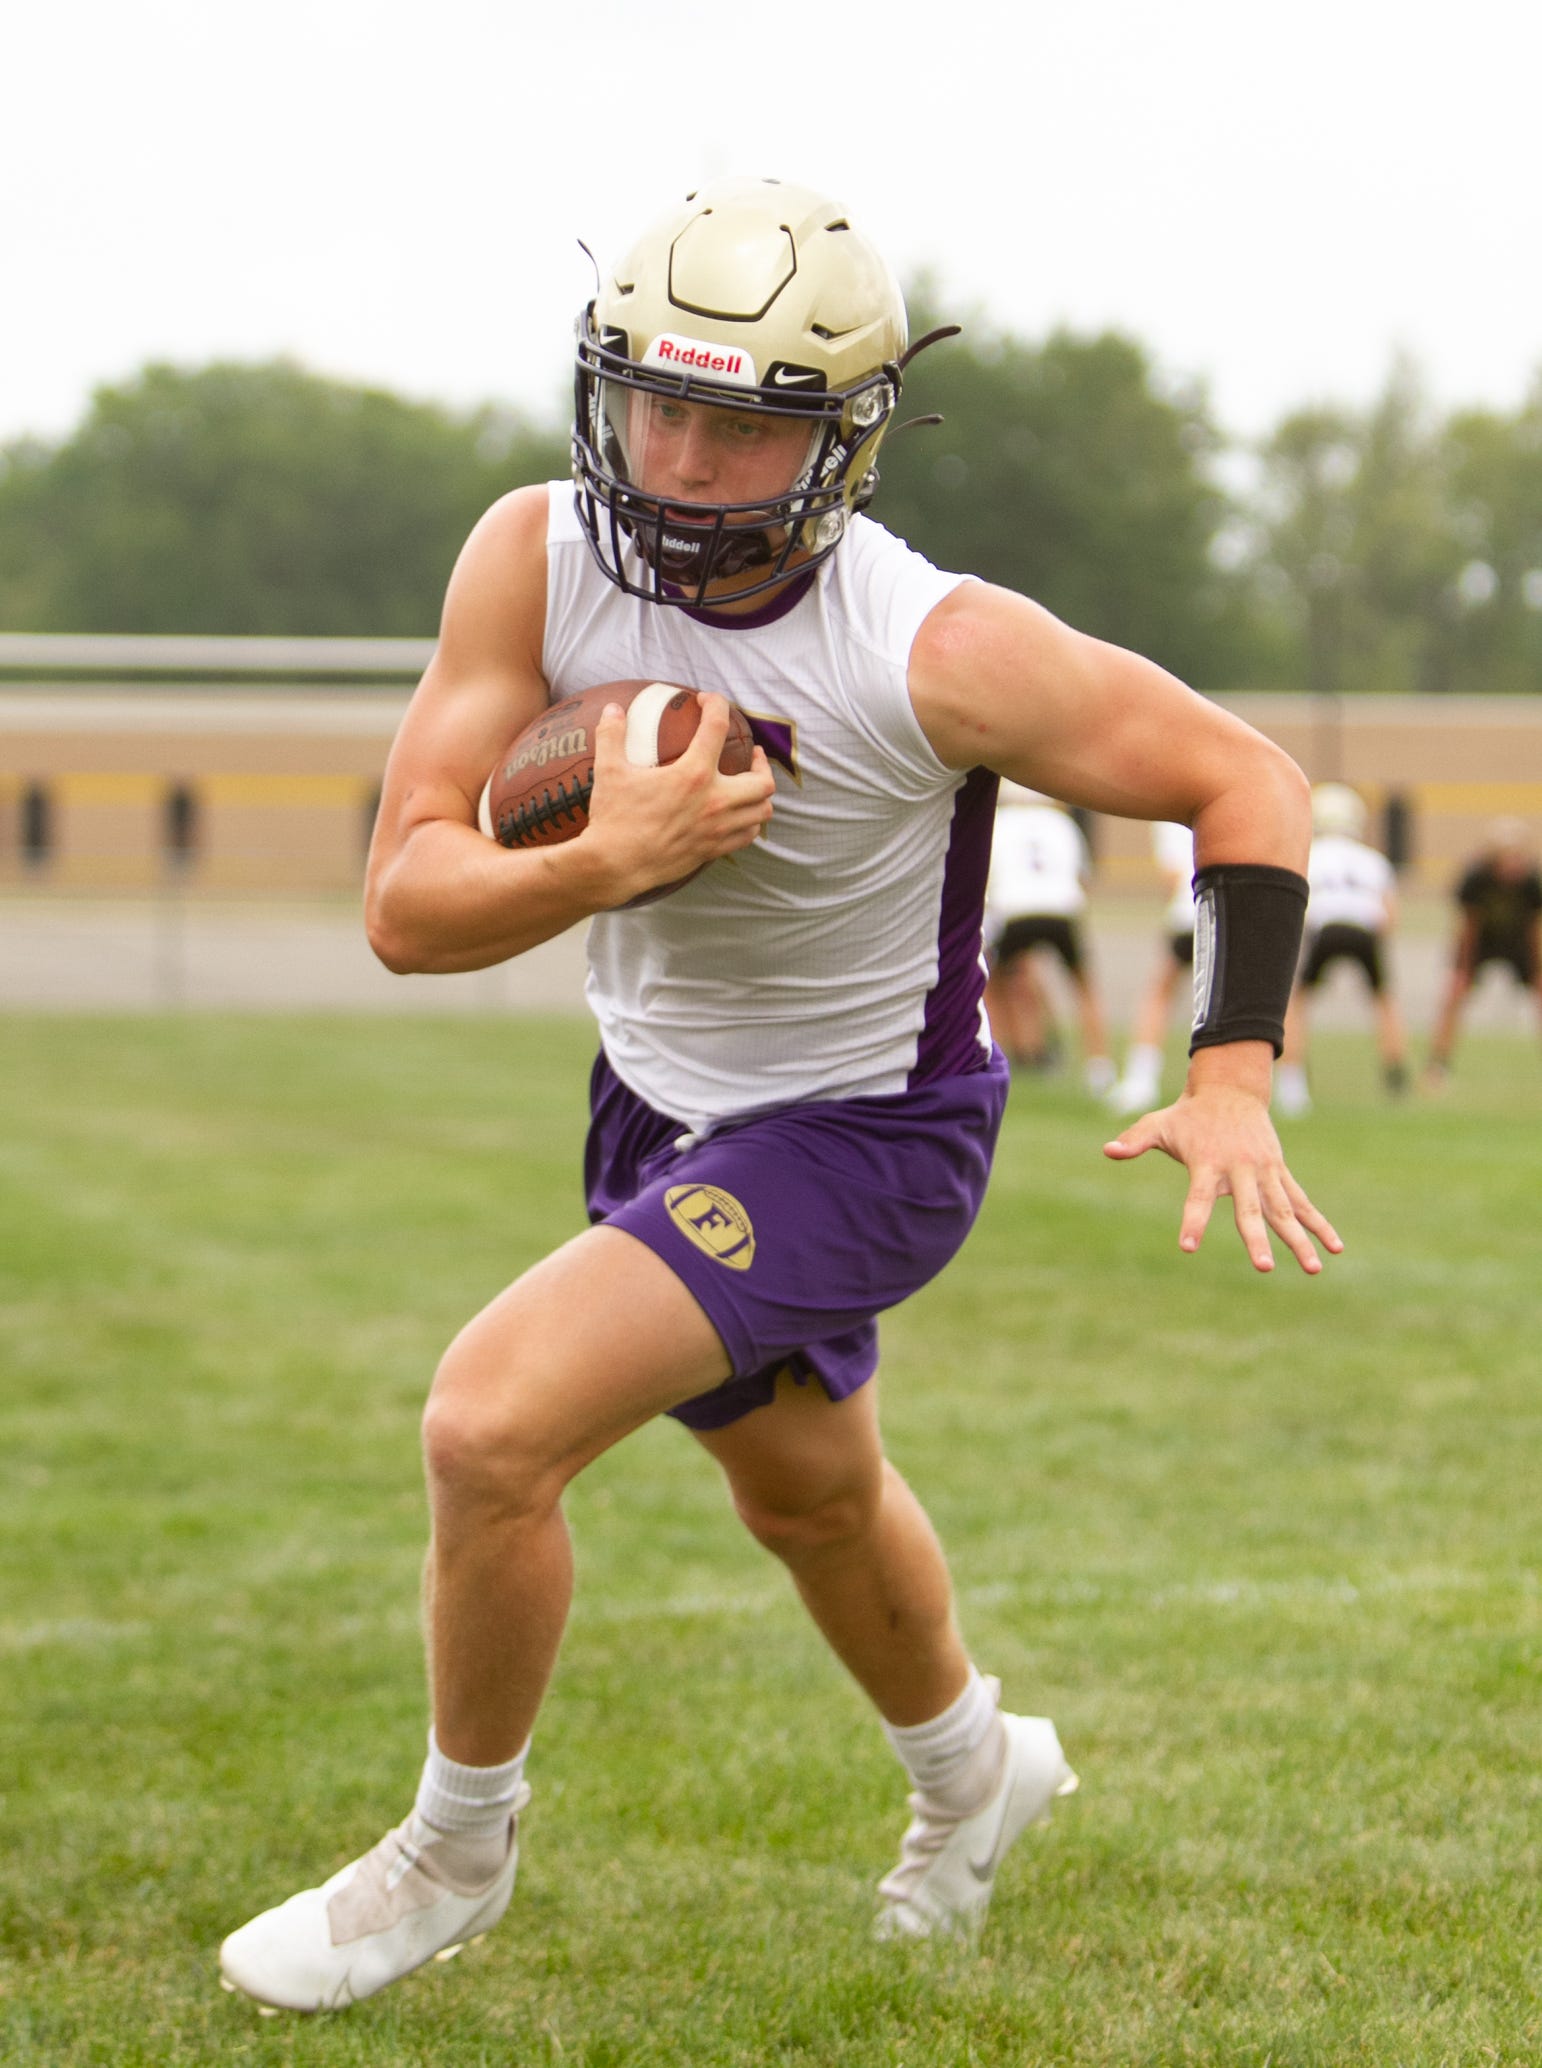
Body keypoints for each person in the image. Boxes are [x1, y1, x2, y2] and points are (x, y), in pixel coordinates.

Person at [218, 176, 1341, 2014]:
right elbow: (404, 910)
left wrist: (1230, 1069)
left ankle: (453, 1843)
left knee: (489, 1427)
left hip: (867, 1131)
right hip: (657, 1099)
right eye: (651, 399)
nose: (675, 454)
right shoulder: (532, 553)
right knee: (811, 1498)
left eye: (737, 424)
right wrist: (608, 857)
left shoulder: (935, 645)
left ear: (842, 440)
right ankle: (978, 1770)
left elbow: (1247, 780)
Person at [1275, 783, 1408, 1117]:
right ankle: (1395, 1073)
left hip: (1327, 927)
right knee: (1383, 1001)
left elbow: (1297, 907)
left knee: (1298, 1003)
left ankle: (1292, 1082)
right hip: (1365, 929)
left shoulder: (1308, 854)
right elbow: (1390, 917)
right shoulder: (1373, 860)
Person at [983, 785, 1114, 1091]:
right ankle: (1099, 1065)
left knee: (989, 985)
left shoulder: (999, 822)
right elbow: (1084, 877)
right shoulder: (1062, 822)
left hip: (1015, 910)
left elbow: (988, 879)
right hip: (1062, 909)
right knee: (1083, 988)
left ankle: (993, 1058)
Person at [1425, 817, 1542, 1085]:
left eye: (1519, 857)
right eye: (1509, 857)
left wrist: (1537, 969)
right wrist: (1464, 969)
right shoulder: (1476, 878)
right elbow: (1468, 927)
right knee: (1454, 994)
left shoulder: (1531, 882)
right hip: (1481, 943)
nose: (1515, 864)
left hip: (1517, 943)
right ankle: (1438, 1065)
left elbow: (1533, 929)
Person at [1108, 820, 1196, 1115]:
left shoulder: (1173, 816)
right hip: (1233, 913)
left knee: (1160, 994)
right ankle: (1284, 1086)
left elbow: (1171, 877)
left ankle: (1140, 1081)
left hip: (1189, 911)